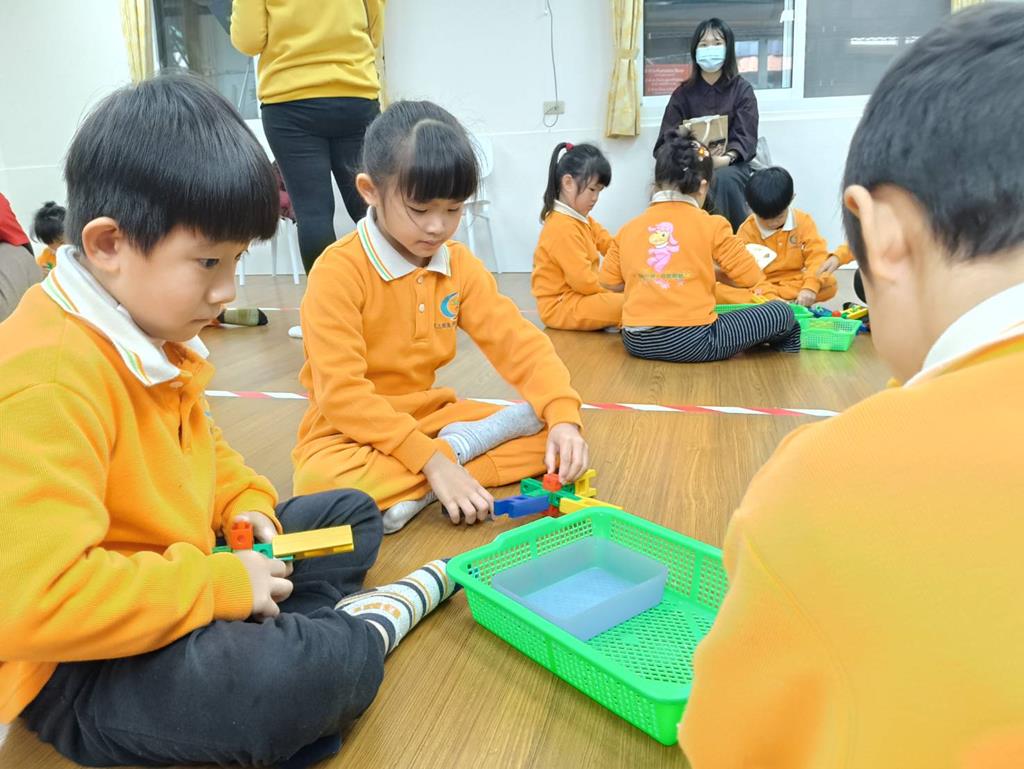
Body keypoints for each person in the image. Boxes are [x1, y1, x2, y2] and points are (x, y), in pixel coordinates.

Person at [0, 74, 457, 768]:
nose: (227, 290)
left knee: (352, 514)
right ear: (109, 244)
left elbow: (202, 446)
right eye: (209, 262)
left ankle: (282, 625)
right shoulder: (51, 379)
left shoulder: (146, 329)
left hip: (179, 566)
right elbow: (35, 602)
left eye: (237, 260)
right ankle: (332, 638)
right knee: (303, 679)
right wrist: (219, 587)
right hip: (77, 661)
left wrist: (243, 502)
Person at [679, 6, 1024, 768]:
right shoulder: (736, 234)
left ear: (883, 234)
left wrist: (802, 289)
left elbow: (719, 740)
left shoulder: (815, 486)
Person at [292, 101, 589, 533]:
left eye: (453, 209)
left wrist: (563, 416)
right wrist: (432, 461)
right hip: (348, 433)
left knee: (556, 439)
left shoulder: (457, 264)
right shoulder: (338, 271)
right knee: (319, 485)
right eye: (419, 209)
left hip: (432, 419)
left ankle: (426, 485)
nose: (437, 227)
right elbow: (342, 396)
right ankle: (448, 469)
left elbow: (518, 343)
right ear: (370, 190)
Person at [230, 0, 384, 305]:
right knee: (372, 207)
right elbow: (374, 29)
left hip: (290, 100)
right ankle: (394, 301)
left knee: (313, 213)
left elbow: (248, 39)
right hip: (354, 93)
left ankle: (329, 312)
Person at [599, 129, 798, 363]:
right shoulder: (713, 225)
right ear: (703, 186)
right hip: (694, 341)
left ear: (656, 185)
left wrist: (649, 278)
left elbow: (609, 282)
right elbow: (751, 277)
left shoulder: (629, 228)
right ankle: (785, 362)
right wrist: (716, 274)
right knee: (781, 313)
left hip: (637, 341)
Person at [655, 18, 758, 231]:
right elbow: (665, 141)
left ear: (728, 48)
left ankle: (727, 240)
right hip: (690, 163)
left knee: (723, 180)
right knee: (678, 180)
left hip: (729, 165)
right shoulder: (682, 94)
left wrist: (724, 159)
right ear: (695, 51)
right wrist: (689, 149)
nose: (710, 49)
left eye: (717, 43)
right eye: (704, 44)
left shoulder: (742, 90)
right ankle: (685, 240)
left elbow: (746, 137)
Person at [531, 142, 624, 331]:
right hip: (561, 306)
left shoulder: (581, 219)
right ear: (567, 183)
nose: (595, 198)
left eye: (599, 191)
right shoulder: (561, 227)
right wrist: (615, 288)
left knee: (633, 297)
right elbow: (583, 281)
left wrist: (630, 261)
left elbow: (610, 244)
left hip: (580, 296)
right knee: (630, 303)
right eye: (592, 189)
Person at [718, 166, 836, 306]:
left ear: (791, 199)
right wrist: (768, 294)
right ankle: (781, 302)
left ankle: (777, 303)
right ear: (749, 207)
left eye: (779, 217)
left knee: (829, 284)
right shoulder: (747, 231)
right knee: (719, 290)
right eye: (764, 218)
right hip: (761, 285)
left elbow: (817, 256)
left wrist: (810, 287)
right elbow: (744, 272)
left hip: (793, 282)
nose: (772, 223)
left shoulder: (803, 221)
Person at [30, 201, 65, 273]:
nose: (58, 248)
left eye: (62, 242)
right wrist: (41, 273)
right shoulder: (47, 255)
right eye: (50, 244)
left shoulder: (78, 254)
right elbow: (37, 269)